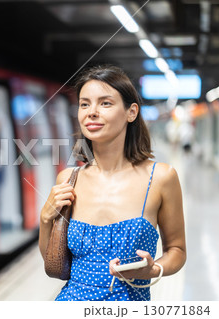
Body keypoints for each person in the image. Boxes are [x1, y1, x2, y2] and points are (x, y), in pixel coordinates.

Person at [39, 65, 186, 301]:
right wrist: (45, 219)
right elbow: (53, 263)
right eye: (84, 104)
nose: (91, 112)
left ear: (132, 112)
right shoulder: (68, 180)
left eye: (105, 103)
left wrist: (153, 270)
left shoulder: (160, 178)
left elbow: (177, 251)